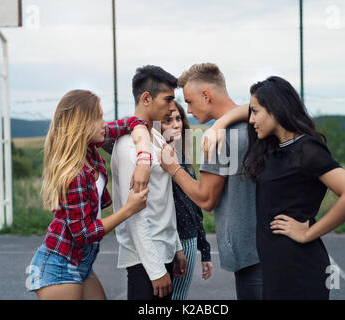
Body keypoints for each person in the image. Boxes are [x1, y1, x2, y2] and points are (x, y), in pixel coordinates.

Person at [213, 76, 345, 299]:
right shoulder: (273, 148)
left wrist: (308, 233)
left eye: (256, 112)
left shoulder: (306, 149)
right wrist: (219, 124)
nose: (251, 119)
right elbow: (247, 109)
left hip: (299, 268)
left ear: (275, 109)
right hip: (275, 268)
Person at [26, 89, 152, 300]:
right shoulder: (74, 175)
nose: (104, 123)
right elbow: (83, 233)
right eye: (99, 117)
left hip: (81, 262)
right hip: (60, 265)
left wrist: (144, 159)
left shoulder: (89, 147)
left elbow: (133, 122)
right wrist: (129, 209)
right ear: (82, 123)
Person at [158, 63, 263, 300]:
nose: (189, 109)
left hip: (249, 257)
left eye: (189, 101)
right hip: (268, 249)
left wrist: (173, 168)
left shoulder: (218, 138)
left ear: (206, 95)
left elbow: (206, 198)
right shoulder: (257, 122)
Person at [111, 65, 188, 300]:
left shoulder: (153, 136)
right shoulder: (128, 146)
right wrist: (155, 271)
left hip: (162, 251)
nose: (172, 107)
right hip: (144, 261)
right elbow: (134, 214)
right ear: (146, 98)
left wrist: (176, 247)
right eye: (167, 99)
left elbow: (163, 198)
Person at [160, 101, 213, 300]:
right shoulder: (155, 159)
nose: (176, 124)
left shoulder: (182, 157)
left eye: (178, 118)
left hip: (188, 236)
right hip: (167, 240)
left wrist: (205, 250)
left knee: (179, 297)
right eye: (167, 120)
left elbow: (193, 206)